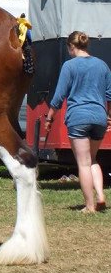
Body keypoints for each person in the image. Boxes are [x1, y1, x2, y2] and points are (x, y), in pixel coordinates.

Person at [45, 31, 111, 213]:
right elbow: (109, 94)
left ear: (71, 47)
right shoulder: (102, 65)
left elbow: (59, 96)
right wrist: (108, 115)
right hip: (99, 117)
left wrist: (49, 117)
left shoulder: (69, 66)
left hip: (78, 117)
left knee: (83, 163)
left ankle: (90, 206)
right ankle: (101, 196)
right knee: (93, 159)